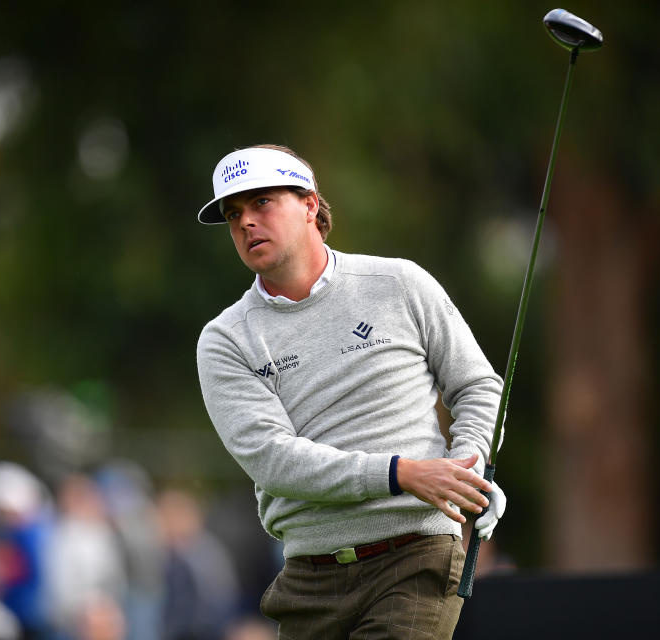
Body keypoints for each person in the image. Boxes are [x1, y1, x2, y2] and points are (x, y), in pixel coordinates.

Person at [195, 144, 508, 639]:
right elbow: (274, 460)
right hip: (308, 578)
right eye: (234, 215)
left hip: (417, 556)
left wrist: (467, 468)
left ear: (310, 205)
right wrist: (399, 473)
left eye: (262, 203)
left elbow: (476, 384)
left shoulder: (399, 283)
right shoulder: (225, 339)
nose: (246, 223)